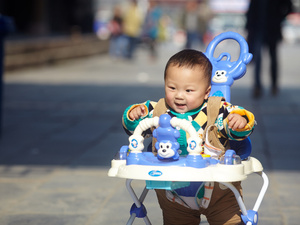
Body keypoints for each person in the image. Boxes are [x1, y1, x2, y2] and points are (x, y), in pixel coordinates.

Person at [122, 49, 256, 225]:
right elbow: (136, 129)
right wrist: (133, 115)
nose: (179, 95)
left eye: (189, 90)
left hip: (219, 193)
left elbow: (242, 124)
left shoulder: (217, 111)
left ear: (207, 92)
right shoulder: (159, 111)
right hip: (174, 198)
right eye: (172, 88)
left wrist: (239, 121)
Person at [246, 0, 293, 98]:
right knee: (258, 58)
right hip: (258, 30)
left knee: (273, 57)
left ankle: (274, 85)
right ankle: (257, 86)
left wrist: (279, 18)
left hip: (272, 29)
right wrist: (249, 29)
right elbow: (251, 11)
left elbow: (289, 7)